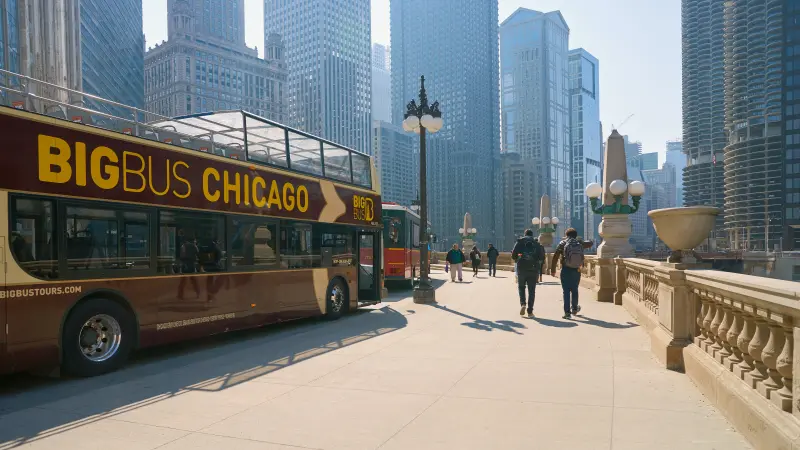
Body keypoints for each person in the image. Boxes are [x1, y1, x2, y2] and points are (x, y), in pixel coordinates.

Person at [551, 228, 594, 319]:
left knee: (566, 291)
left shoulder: (562, 243)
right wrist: (585, 240)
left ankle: (567, 313)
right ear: (575, 235)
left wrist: (553, 269)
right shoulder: (579, 243)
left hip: (565, 269)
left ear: (566, 235)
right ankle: (574, 308)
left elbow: (555, 257)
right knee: (574, 289)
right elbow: (590, 243)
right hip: (576, 270)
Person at [511, 229, 545, 318]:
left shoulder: (519, 242)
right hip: (533, 270)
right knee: (532, 290)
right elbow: (542, 257)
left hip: (521, 269)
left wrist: (519, 257)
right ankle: (530, 311)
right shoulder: (536, 244)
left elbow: (513, 255)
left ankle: (523, 304)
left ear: (524, 234)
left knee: (521, 287)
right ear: (532, 235)